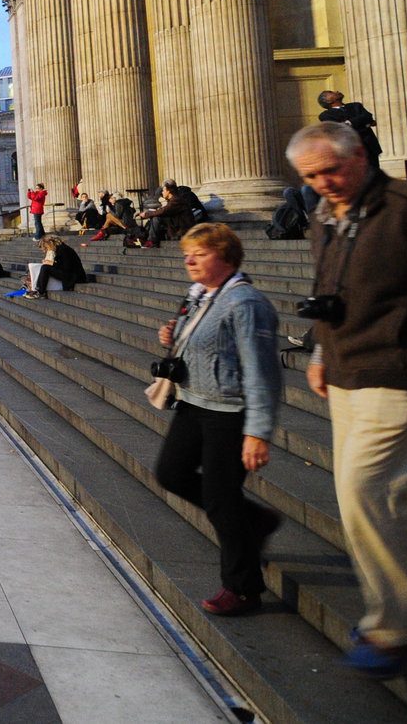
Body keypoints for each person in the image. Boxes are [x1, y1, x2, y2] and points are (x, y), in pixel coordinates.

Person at [287, 121, 407, 677]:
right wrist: (319, 354)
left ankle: (400, 624)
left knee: (365, 489)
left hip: (405, 366)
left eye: (332, 171)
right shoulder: (323, 215)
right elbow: (328, 289)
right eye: (311, 177)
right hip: (347, 370)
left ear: (360, 155)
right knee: (365, 499)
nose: (324, 184)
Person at [152, 224, 283, 617]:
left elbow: (263, 372)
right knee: (171, 473)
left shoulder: (246, 303)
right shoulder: (201, 296)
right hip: (194, 402)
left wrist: (257, 432)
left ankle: (242, 588)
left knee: (221, 500)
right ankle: (256, 520)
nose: (189, 260)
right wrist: (171, 339)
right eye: (187, 254)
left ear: (226, 257)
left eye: (201, 254)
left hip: (230, 412)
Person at [317, 90, 382, 161]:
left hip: (370, 147)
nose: (337, 91)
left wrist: (348, 123)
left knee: (374, 171)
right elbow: (338, 129)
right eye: (331, 92)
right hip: (350, 150)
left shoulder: (356, 106)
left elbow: (367, 116)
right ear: (329, 101)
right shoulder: (325, 115)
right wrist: (363, 124)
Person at [24, 235, 86, 300]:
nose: (46, 249)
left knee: (45, 268)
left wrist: (52, 263)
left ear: (50, 243)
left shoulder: (63, 250)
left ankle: (41, 292)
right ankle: (38, 290)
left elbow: (66, 267)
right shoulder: (60, 249)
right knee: (44, 267)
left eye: (46, 247)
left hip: (74, 276)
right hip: (71, 274)